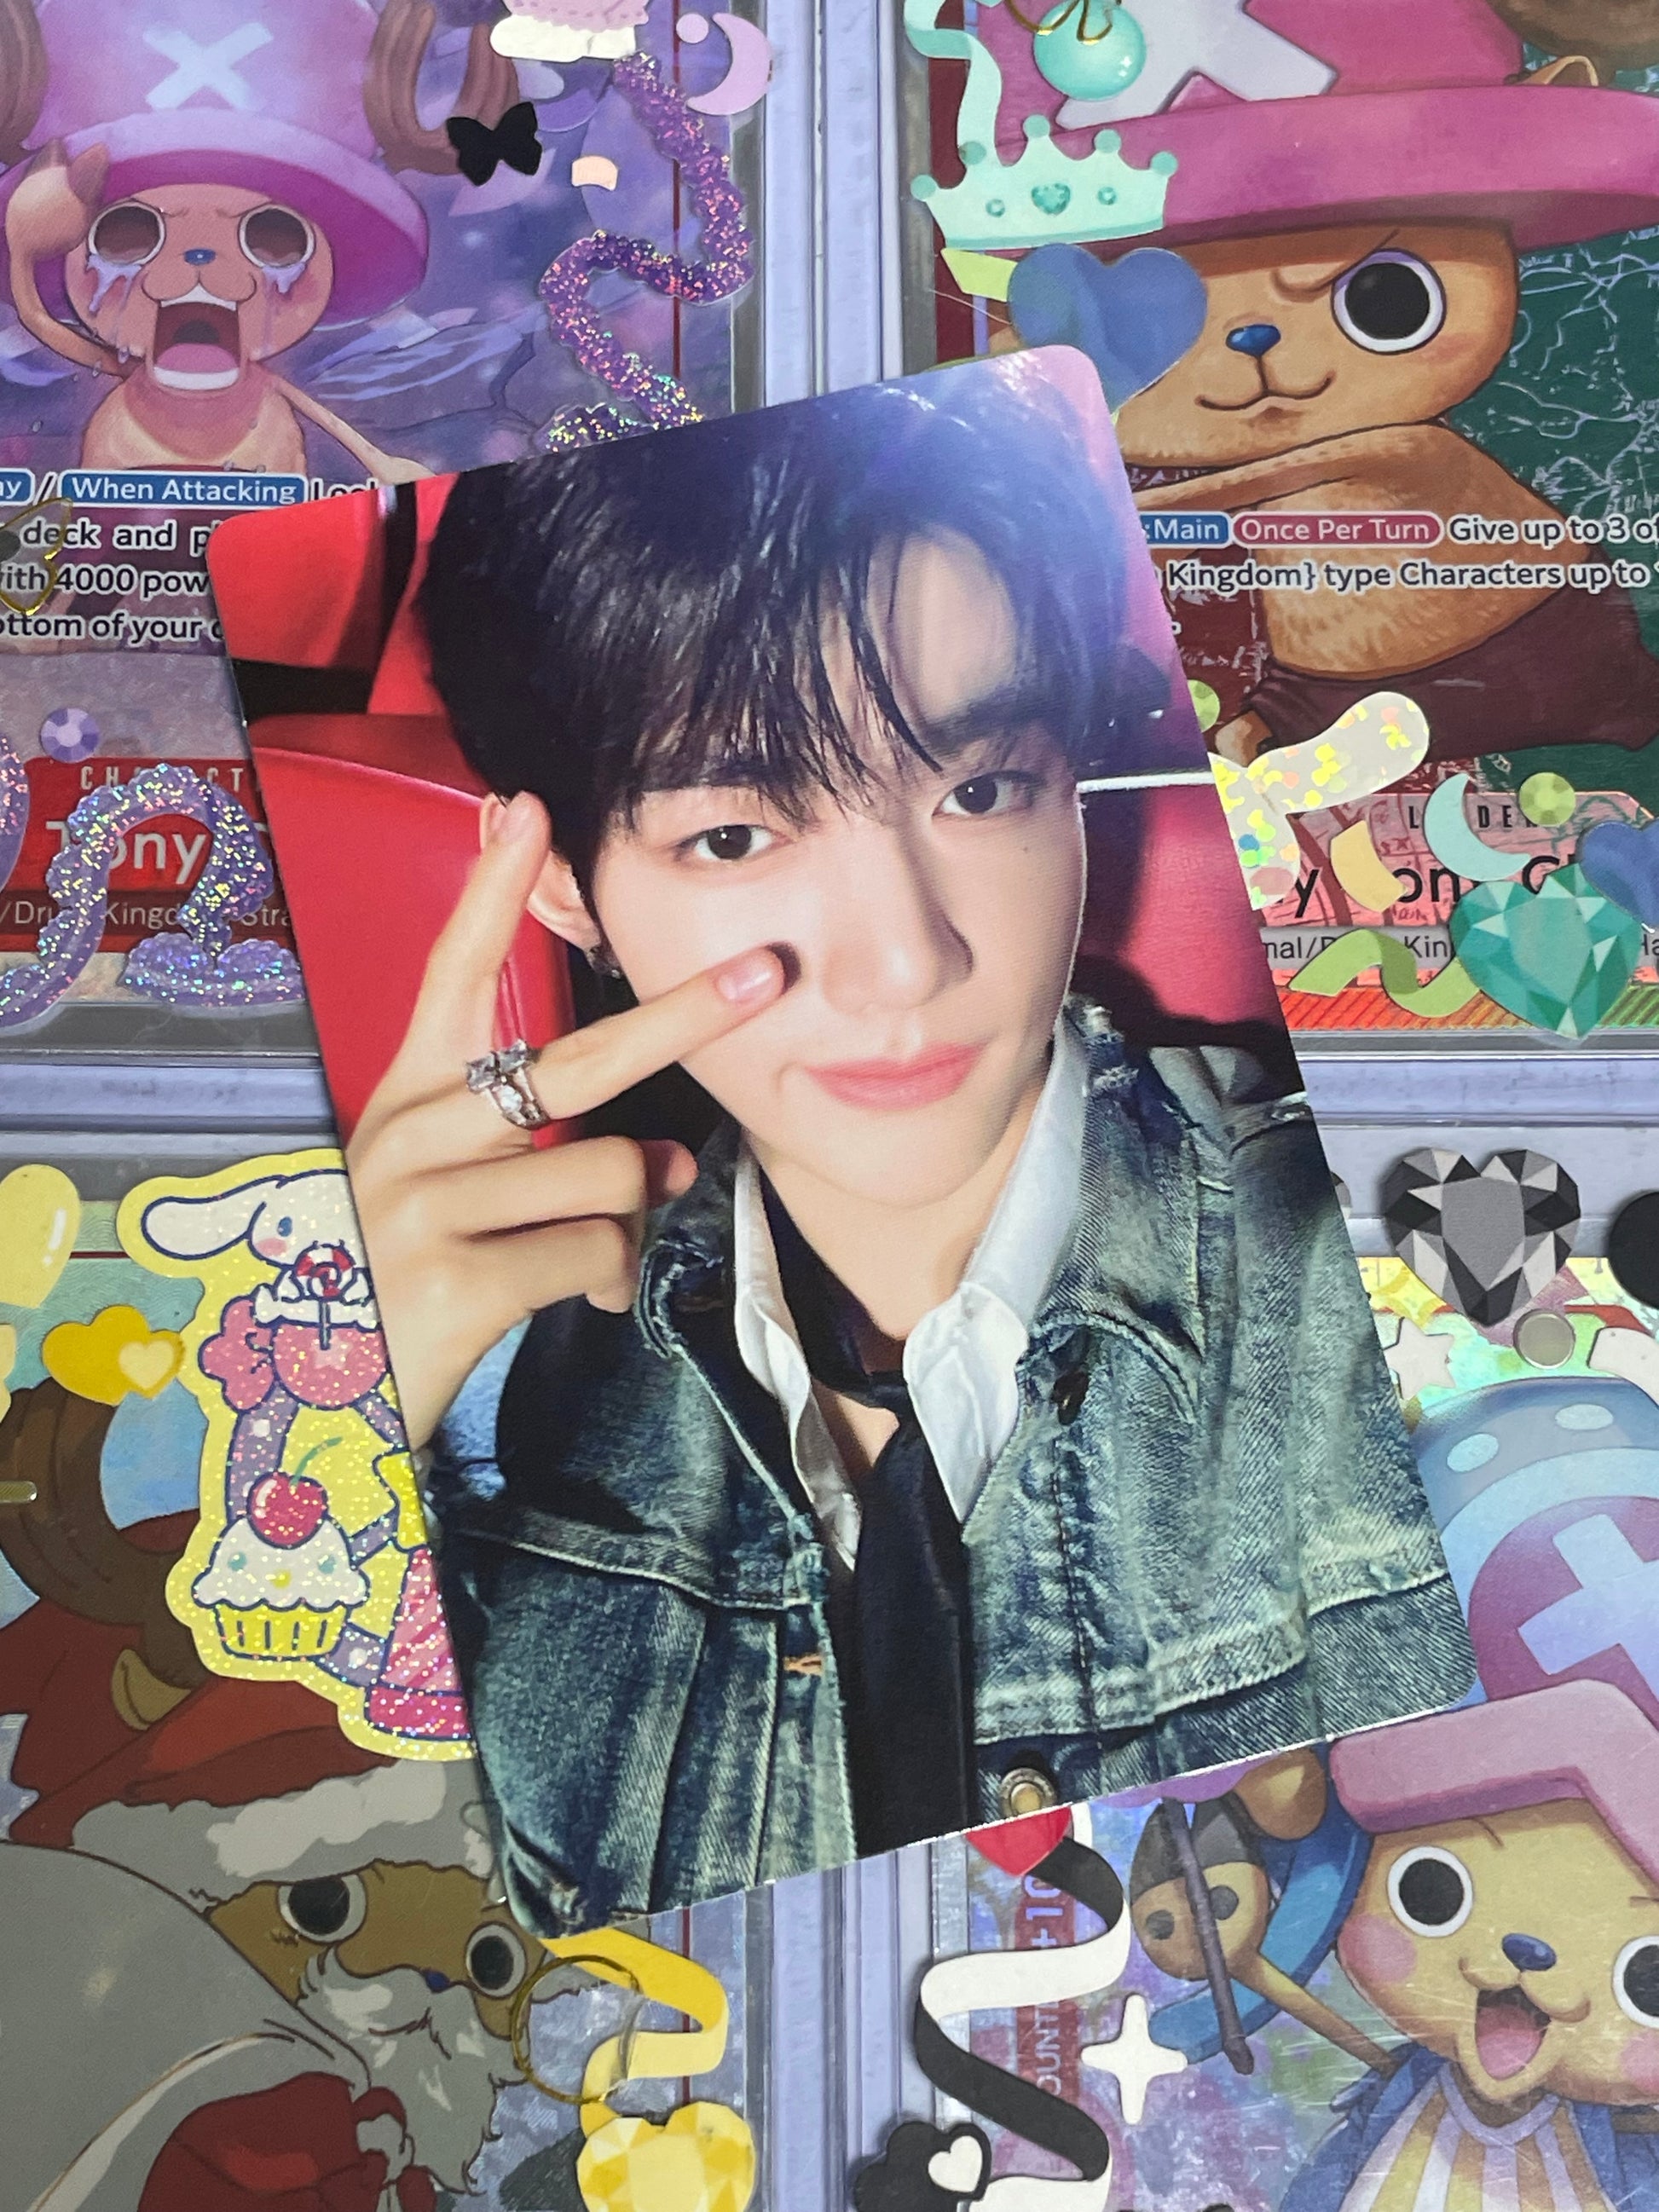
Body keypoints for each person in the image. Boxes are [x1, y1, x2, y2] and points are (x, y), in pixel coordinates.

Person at [346, 361, 1472, 1937]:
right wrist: (331, 1442)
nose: (905, 963)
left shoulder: (1387, 1258)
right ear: (561, 887)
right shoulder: (470, 1396)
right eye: (732, 835)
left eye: (980, 788)